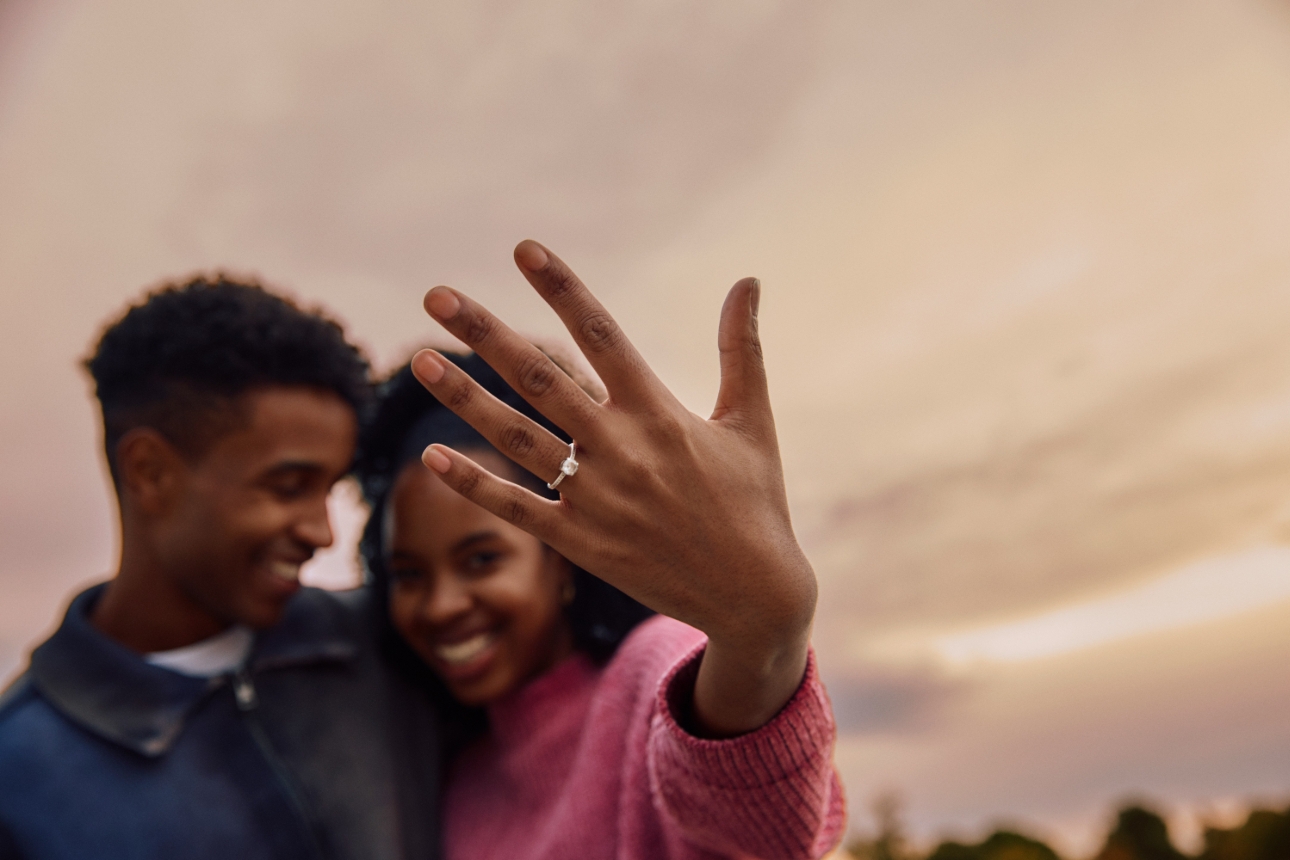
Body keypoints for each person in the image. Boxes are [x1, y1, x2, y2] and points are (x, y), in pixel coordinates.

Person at [354, 240, 846, 859]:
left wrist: (763, 640)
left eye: (482, 559)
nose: (443, 605)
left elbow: (767, 836)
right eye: (408, 574)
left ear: (562, 554)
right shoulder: (457, 776)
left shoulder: (654, 673)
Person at [0, 277, 441, 860]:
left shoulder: (394, 646)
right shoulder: (20, 772)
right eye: (288, 487)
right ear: (152, 473)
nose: (321, 533)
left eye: (330, 489)